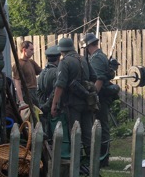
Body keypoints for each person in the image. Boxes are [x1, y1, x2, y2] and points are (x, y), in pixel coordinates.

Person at [50, 37, 95, 165]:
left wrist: (54, 103)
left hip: (72, 103)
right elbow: (94, 77)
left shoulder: (65, 62)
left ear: (62, 50)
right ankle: (92, 160)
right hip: (86, 100)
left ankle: (77, 162)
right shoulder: (83, 59)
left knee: (75, 132)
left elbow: (60, 85)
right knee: (87, 133)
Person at [82, 33, 116, 165]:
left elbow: (99, 79)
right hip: (101, 96)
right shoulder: (100, 56)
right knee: (100, 125)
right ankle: (102, 156)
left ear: (88, 46)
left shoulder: (96, 58)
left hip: (100, 97)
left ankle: (103, 157)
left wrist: (93, 98)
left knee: (101, 125)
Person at [12, 40, 42, 114]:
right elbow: (17, 83)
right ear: (24, 50)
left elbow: (42, 72)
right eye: (31, 49)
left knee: (38, 114)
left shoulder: (31, 62)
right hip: (26, 94)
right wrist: (21, 101)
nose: (33, 52)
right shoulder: (18, 65)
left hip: (34, 92)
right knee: (30, 116)